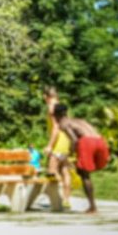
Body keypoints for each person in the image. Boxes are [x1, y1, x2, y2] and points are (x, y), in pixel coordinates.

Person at [45, 86, 110, 214]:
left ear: (57, 115)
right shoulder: (78, 120)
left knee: (84, 174)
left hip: (87, 142)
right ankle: (92, 206)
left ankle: (93, 207)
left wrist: (68, 154)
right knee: (83, 170)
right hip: (100, 140)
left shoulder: (63, 123)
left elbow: (74, 140)